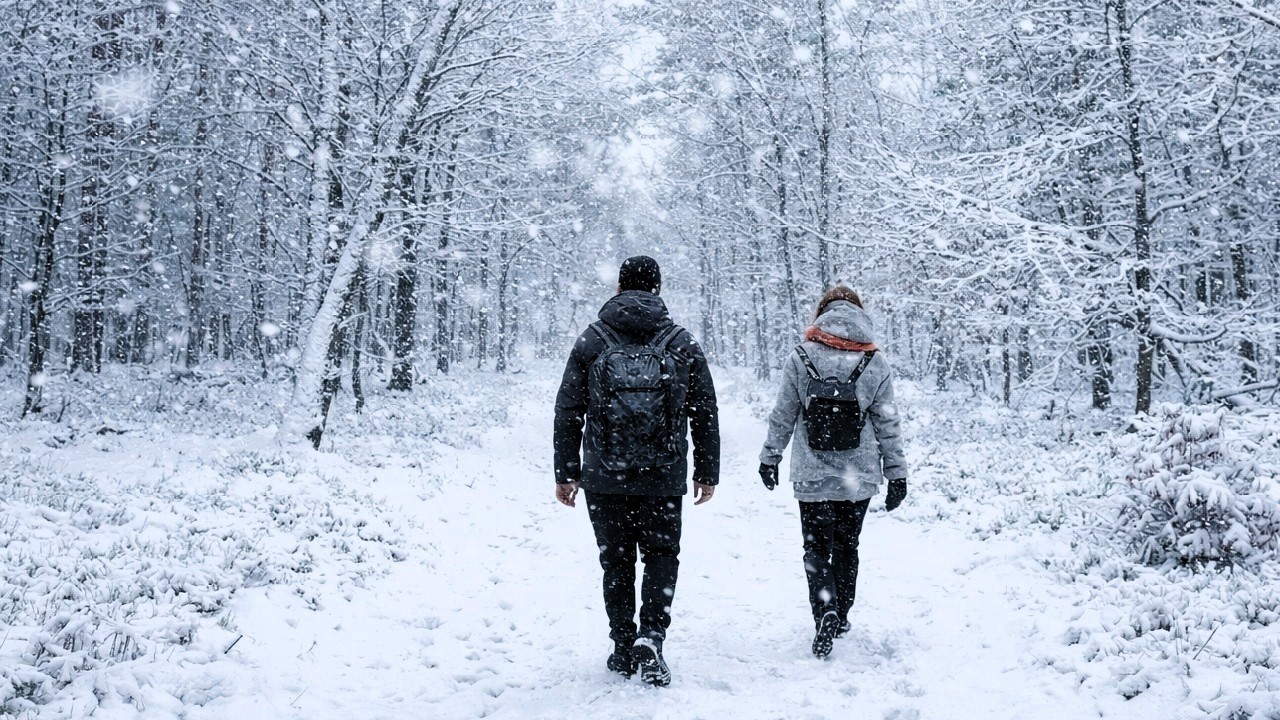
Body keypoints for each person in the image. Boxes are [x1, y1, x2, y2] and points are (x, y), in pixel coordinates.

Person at [554, 255, 720, 686]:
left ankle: (623, 645)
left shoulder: (592, 340)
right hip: (663, 474)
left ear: (618, 288)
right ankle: (652, 636)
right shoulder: (680, 342)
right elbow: (704, 411)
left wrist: (566, 472)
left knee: (616, 561)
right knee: (662, 556)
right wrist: (706, 471)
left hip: (604, 475)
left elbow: (569, 409)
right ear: (658, 290)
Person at [758, 285, 907, 659]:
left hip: (812, 473)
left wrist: (770, 457)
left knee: (816, 548)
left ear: (822, 313)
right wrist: (897, 473)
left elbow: (784, 414)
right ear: (860, 314)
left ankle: (825, 607)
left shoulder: (801, 356)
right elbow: (887, 423)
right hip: (859, 475)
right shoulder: (875, 362)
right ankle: (840, 616)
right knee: (847, 545)